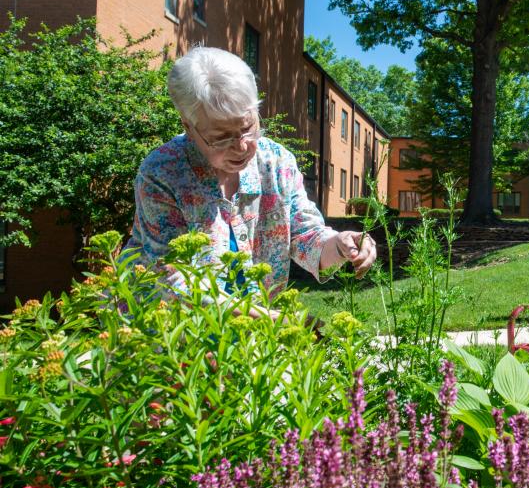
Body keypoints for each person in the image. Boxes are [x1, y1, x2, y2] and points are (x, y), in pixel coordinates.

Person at [126, 46, 375, 301]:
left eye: (248, 127)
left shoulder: (277, 163)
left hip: (256, 324)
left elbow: (306, 236)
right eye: (221, 138)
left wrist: (341, 245)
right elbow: (173, 277)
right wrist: (267, 319)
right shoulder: (161, 173)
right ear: (188, 127)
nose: (242, 146)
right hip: (169, 327)